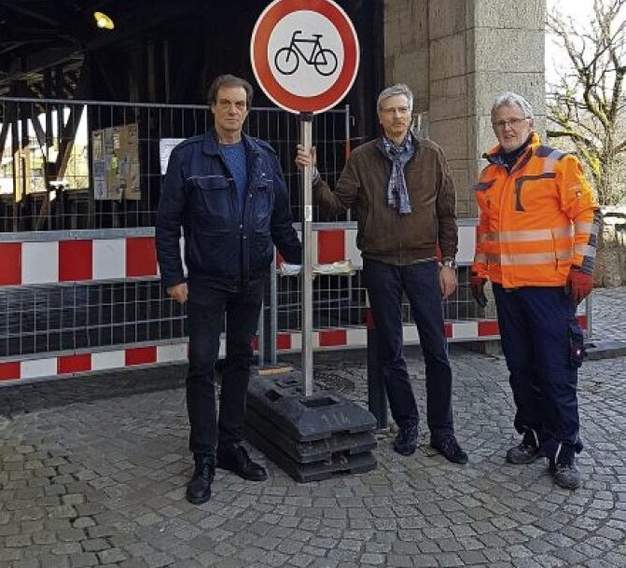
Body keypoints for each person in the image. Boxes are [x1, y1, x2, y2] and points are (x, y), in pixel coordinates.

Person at [296, 82, 468, 464]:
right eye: (389, 111)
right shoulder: (362, 158)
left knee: (436, 351)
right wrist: (313, 177)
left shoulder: (433, 155)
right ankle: (407, 425)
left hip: (425, 264)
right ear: (380, 116)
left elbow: (447, 214)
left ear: (411, 113)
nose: (396, 116)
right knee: (390, 350)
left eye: (402, 110)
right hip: (380, 264)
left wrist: (449, 263)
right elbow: (336, 205)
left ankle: (443, 432)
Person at [156, 74, 301, 505]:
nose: (232, 110)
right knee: (202, 365)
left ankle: (229, 446)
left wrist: (300, 259)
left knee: (240, 362)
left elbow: (279, 219)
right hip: (205, 280)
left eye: (239, 104)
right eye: (225, 103)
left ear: (247, 109)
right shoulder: (188, 157)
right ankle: (203, 457)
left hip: (251, 278)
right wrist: (173, 276)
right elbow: (167, 225)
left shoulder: (264, 157)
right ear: (212, 107)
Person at [471, 91, 600, 490]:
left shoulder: (558, 163)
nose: (507, 128)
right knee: (520, 370)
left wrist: (583, 267)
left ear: (530, 123)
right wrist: (479, 270)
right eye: (500, 122)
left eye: (514, 120)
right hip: (508, 291)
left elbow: (587, 214)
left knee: (556, 370)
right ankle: (532, 436)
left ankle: (564, 452)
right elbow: (487, 230)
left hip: (549, 290)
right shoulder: (490, 174)